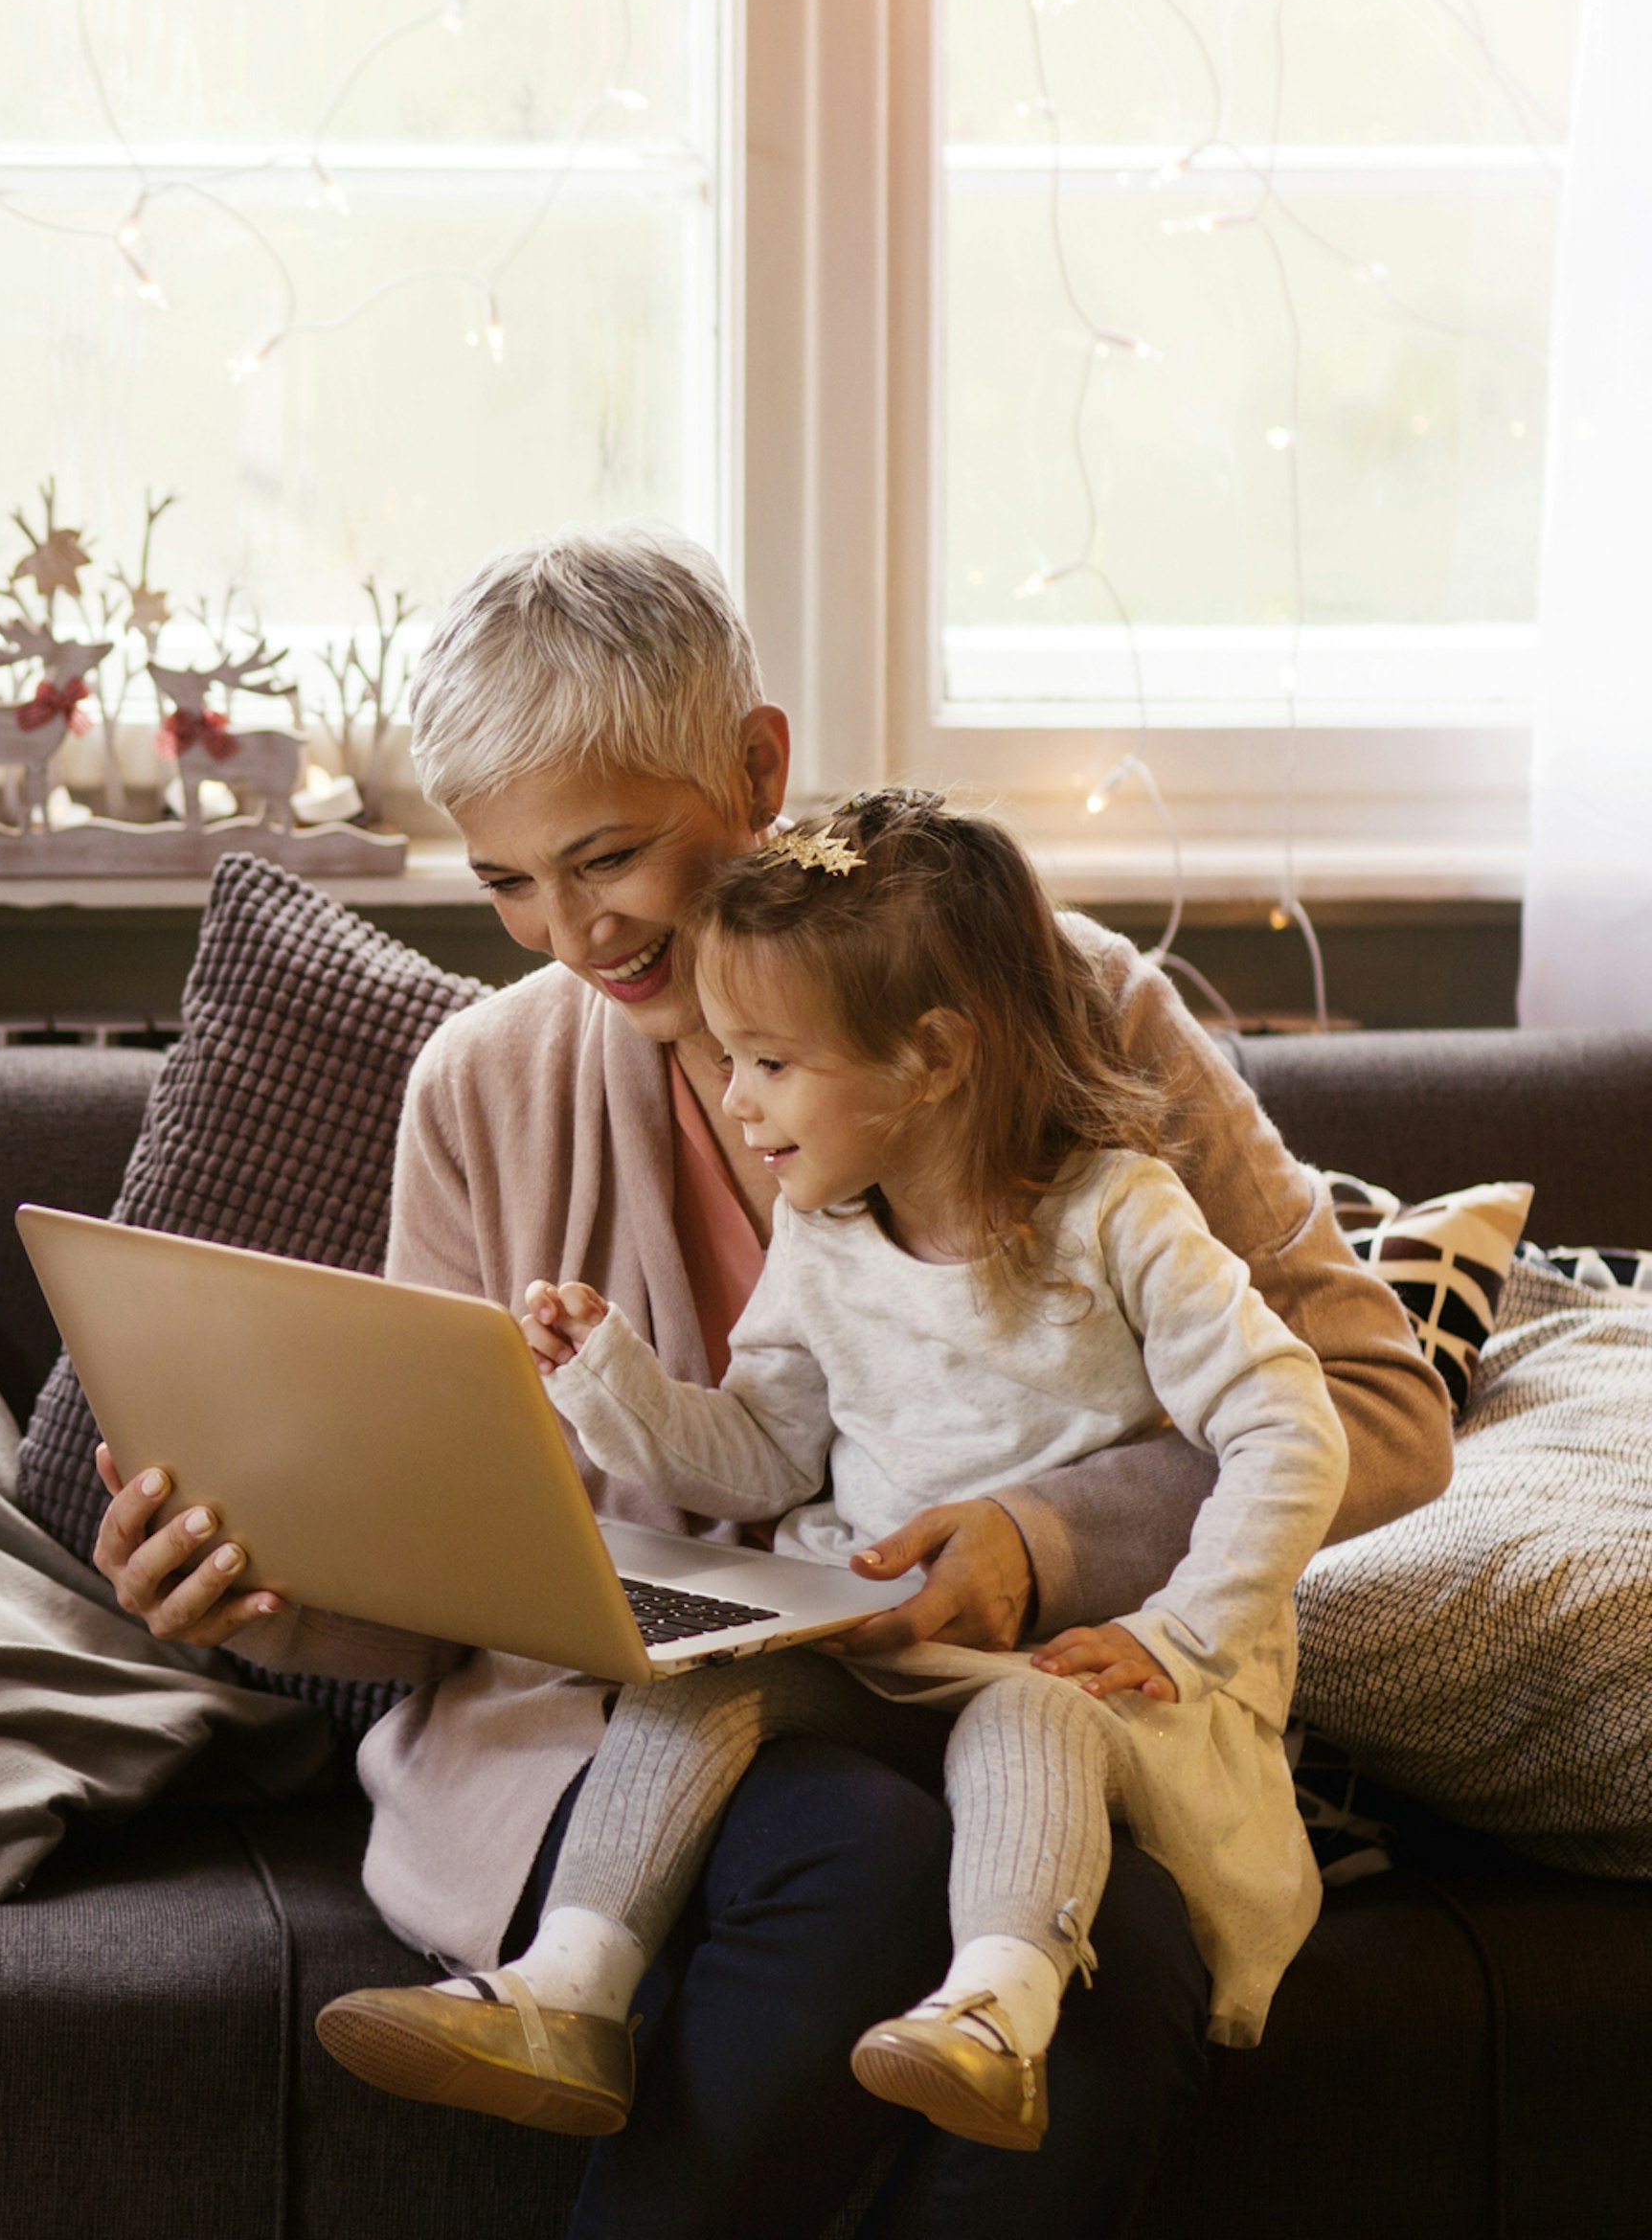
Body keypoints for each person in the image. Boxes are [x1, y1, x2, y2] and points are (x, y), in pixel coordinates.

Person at [86, 526, 1451, 2237]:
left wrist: (1039, 1539)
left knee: (1123, 1961)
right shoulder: (481, 1089)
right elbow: (447, 1585)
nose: (572, 933)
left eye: (608, 858)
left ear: (758, 764)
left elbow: (1377, 1403)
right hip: (632, 1726)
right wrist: (259, 1589)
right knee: (853, 1858)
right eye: (507, 883)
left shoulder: (1066, 1006)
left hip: (1031, 1699)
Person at [314, 788, 1345, 2156]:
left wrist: (1185, 1633)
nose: (734, 1102)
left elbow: (1296, 1420)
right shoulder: (827, 1231)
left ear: (930, 1057)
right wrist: (606, 1380)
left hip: (1080, 1676)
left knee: (1023, 1728)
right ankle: (564, 1994)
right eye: (729, 1063)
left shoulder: (1119, 1215)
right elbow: (757, 1453)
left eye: (768, 1065)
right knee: (695, 1689)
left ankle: (991, 2017)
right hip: (875, 1654)